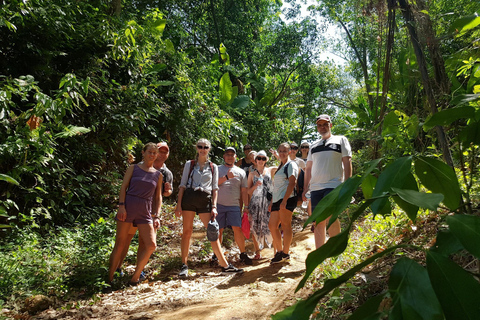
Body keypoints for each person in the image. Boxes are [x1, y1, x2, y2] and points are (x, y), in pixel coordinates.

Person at [175, 139, 243, 277]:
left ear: (209, 149)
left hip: (205, 200)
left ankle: (224, 265)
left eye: (205, 147)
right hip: (189, 198)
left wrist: (214, 206)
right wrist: (178, 205)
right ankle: (184, 265)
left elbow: (215, 189)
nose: (202, 149)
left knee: (213, 232)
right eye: (200, 146)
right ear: (196, 148)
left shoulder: (213, 167)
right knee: (187, 231)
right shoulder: (190, 164)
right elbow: (182, 185)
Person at [114, 142, 173, 280]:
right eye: (160, 151)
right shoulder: (138, 167)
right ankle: (117, 267)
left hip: (150, 212)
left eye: (165, 152)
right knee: (126, 238)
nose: (162, 154)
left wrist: (167, 192)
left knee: (145, 242)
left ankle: (138, 271)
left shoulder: (166, 173)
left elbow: (165, 194)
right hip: (134, 208)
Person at [302, 115, 352, 249]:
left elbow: (347, 162)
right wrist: (306, 188)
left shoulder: (341, 140)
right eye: (320, 125)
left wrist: (348, 184)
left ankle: (335, 250)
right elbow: (308, 169)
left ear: (331, 125)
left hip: (333, 185)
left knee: (331, 216)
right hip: (316, 187)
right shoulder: (313, 146)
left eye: (325, 124)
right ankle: (320, 254)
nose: (322, 127)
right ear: (317, 127)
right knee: (318, 220)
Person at [216, 147, 252, 265]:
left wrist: (246, 206)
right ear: (224, 156)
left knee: (237, 229)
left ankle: (243, 253)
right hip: (219, 204)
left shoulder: (241, 172)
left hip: (234, 205)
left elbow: (244, 191)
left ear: (236, 157)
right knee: (219, 230)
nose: (230, 157)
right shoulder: (217, 169)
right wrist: (227, 177)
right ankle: (217, 255)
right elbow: (213, 184)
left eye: (232, 155)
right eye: (228, 154)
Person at [269, 142, 298, 264]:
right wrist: (272, 202)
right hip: (277, 199)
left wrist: (285, 200)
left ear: (289, 152)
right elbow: (276, 186)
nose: (282, 153)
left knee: (286, 225)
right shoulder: (281, 165)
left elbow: (292, 182)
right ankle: (280, 251)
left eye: (284, 151)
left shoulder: (291, 165)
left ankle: (285, 252)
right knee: (272, 225)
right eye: (280, 151)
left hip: (287, 198)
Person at [247, 150, 274, 260]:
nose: (261, 160)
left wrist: (272, 202)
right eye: (259, 158)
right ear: (255, 160)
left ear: (266, 160)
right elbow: (248, 192)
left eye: (263, 158)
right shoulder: (251, 174)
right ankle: (258, 252)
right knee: (255, 228)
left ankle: (275, 250)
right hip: (255, 204)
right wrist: (255, 186)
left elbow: (283, 165)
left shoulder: (270, 170)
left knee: (270, 226)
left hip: (267, 203)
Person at [289, 142, 306, 206]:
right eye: (291, 148)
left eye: (295, 148)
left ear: (297, 150)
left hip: (297, 188)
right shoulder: (284, 160)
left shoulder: (301, 162)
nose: (293, 150)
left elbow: (304, 176)